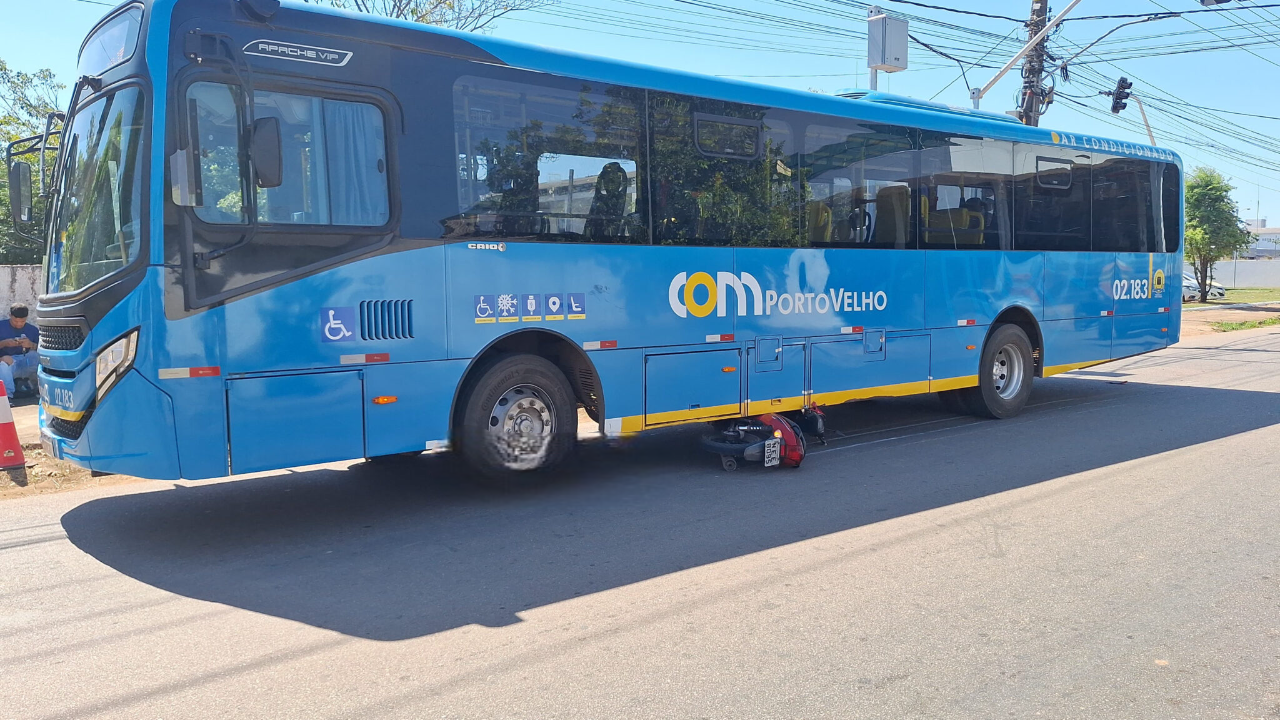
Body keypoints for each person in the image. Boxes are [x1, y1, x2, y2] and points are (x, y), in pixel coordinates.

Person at [0, 304, 39, 398]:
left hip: (27, 361)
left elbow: (44, 349)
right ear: (10, 315)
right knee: (3, 365)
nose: (19, 324)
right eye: (15, 321)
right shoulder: (1, 327)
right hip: (10, 362)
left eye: (22, 321)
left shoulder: (32, 330)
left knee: (41, 358)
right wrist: (4, 344)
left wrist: (31, 345)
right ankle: (7, 397)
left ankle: (44, 391)